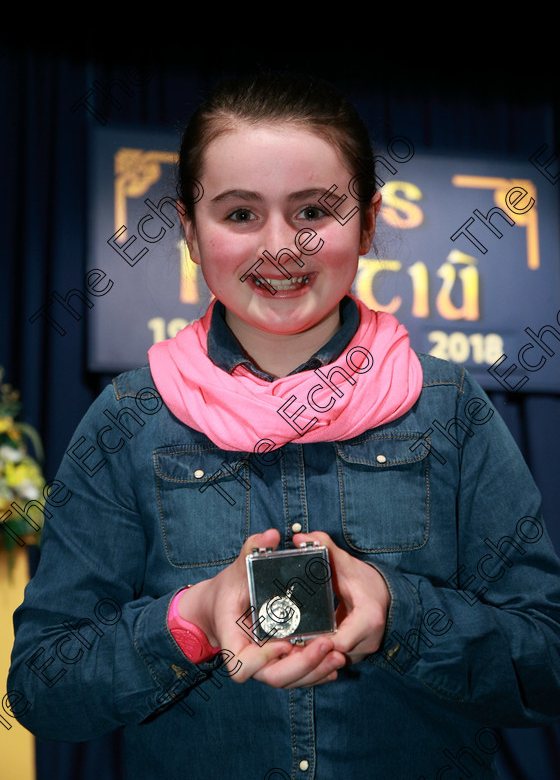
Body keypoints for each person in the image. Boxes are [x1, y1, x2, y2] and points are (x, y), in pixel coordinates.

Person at [8, 73, 560, 780]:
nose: (279, 246)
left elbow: (545, 663)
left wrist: (400, 614)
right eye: (239, 214)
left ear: (366, 224)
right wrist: (192, 619)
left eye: (313, 212)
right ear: (188, 231)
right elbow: (42, 690)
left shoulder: (449, 405)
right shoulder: (130, 418)